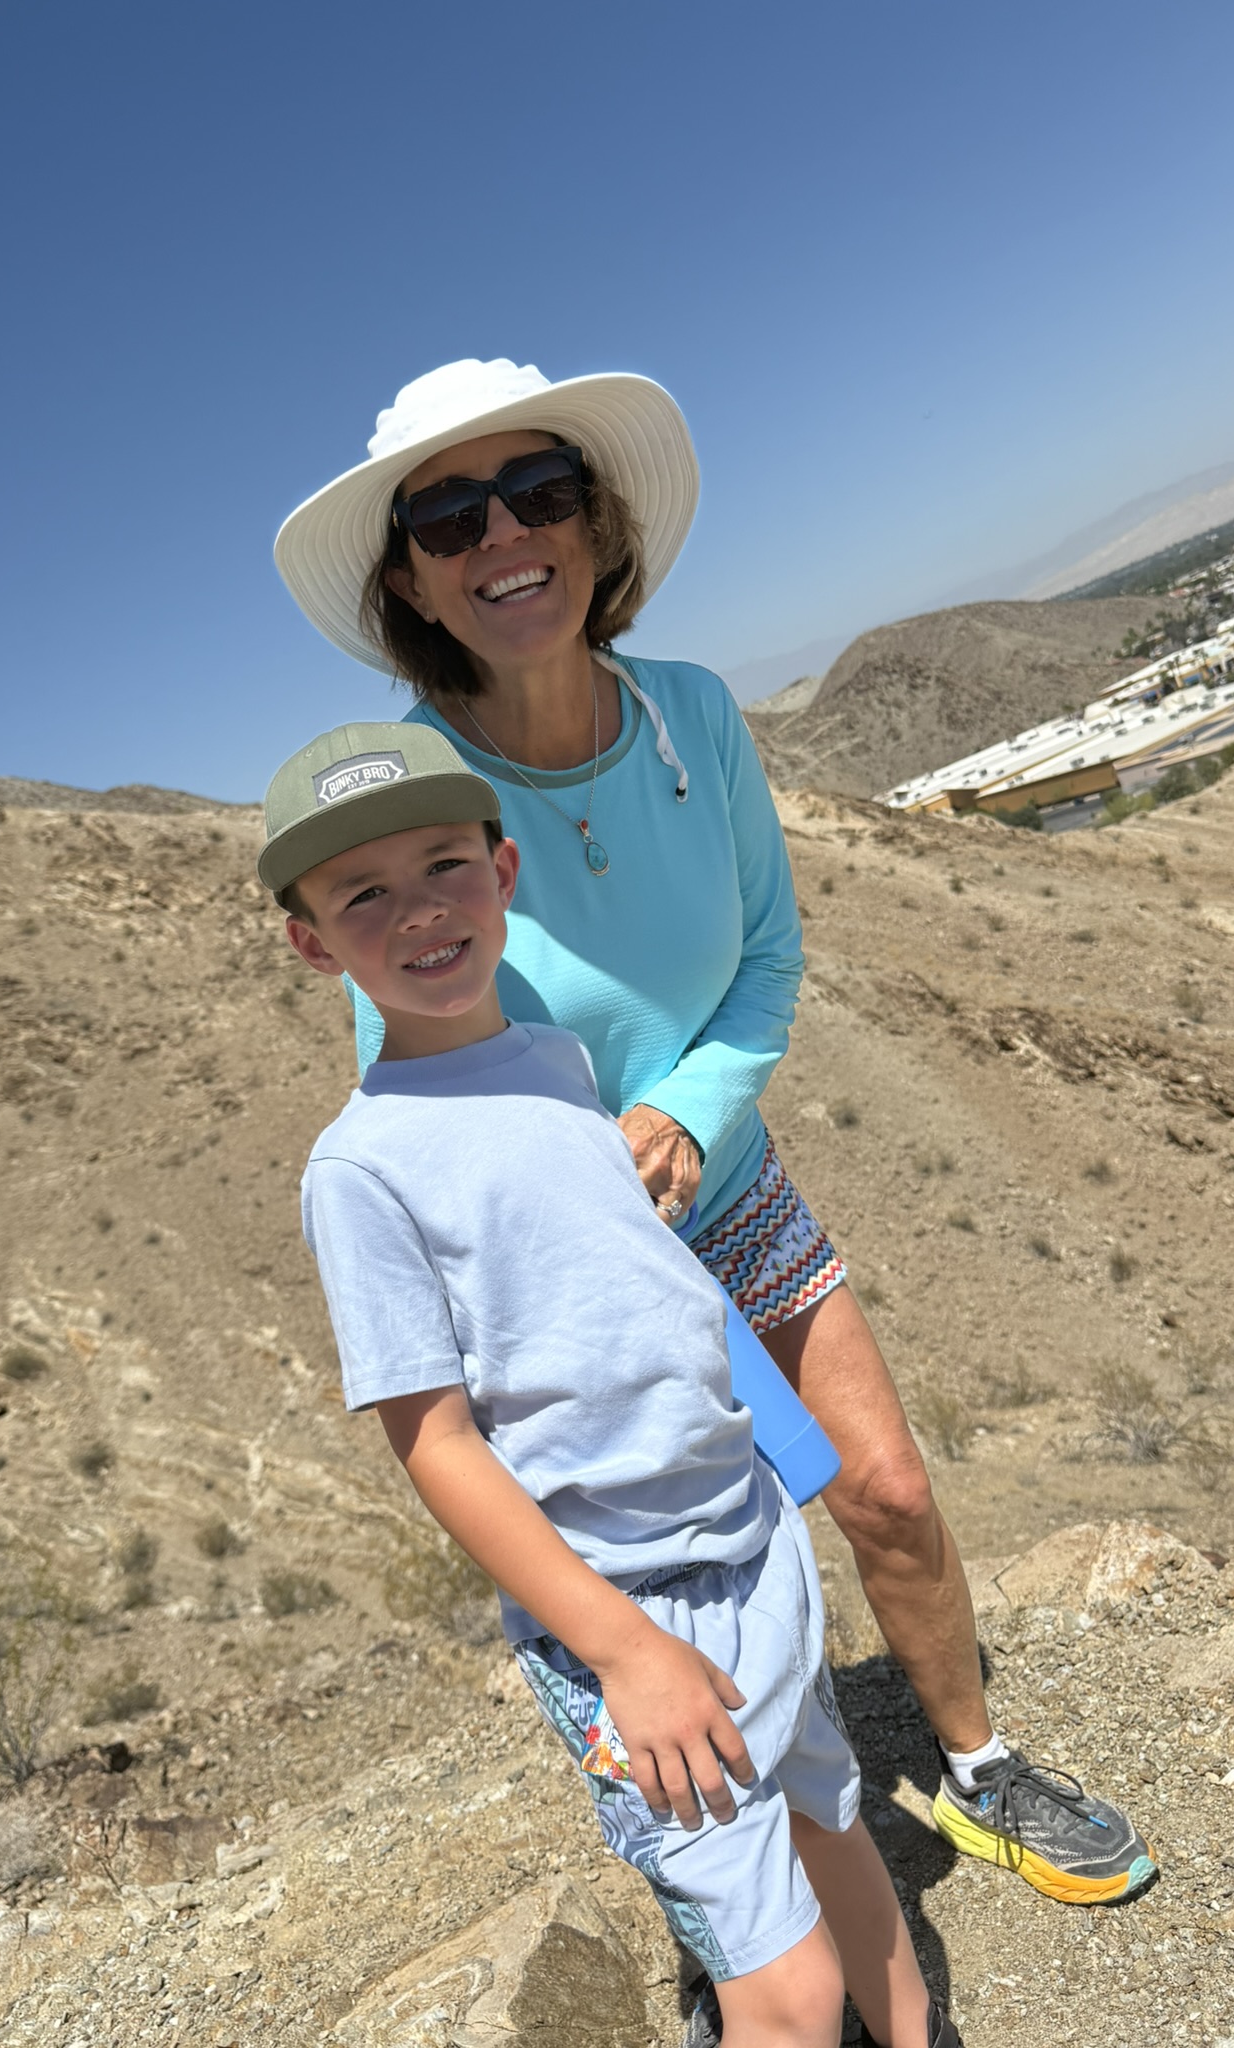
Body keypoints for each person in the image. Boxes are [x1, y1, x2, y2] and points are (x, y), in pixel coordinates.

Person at [272, 359, 1154, 1925]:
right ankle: (734, 1901)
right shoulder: (415, 803)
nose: (504, 536)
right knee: (666, 1574)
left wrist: (686, 1108)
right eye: (450, 516)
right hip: (568, 1275)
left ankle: (978, 1766)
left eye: (539, 493)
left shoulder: (691, 719)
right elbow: (416, 1097)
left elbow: (765, 966)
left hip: (727, 1188)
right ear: (413, 576)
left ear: (597, 526)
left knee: (880, 1487)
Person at [258, 719, 962, 2048]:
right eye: (362, 894)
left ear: (506, 870)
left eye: (443, 865)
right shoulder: (361, 1171)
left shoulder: (553, 1063)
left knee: (833, 1825)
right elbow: (439, 1445)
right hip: (628, 1613)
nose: (419, 911)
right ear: (313, 942)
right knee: (788, 1992)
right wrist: (626, 1653)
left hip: (749, 1544)